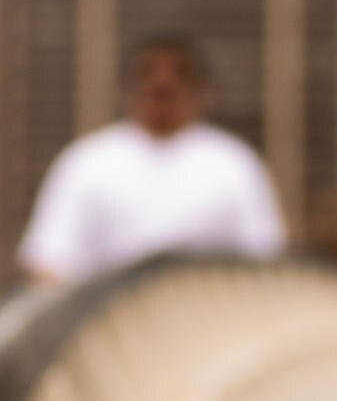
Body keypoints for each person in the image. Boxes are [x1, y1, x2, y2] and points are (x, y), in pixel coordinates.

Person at [18, 30, 288, 282]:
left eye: (180, 74)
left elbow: (266, 259)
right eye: (147, 73)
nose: (162, 83)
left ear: (203, 89)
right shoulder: (84, 162)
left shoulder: (235, 163)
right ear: (125, 87)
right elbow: (47, 264)